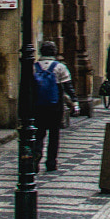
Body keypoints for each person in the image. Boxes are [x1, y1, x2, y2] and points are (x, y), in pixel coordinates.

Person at [32, 39, 75, 173]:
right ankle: (51, 162)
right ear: (54, 52)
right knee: (54, 135)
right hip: (55, 106)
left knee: (39, 133)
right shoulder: (59, 67)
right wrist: (74, 101)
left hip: (38, 106)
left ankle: (36, 155)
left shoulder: (34, 66)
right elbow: (68, 86)